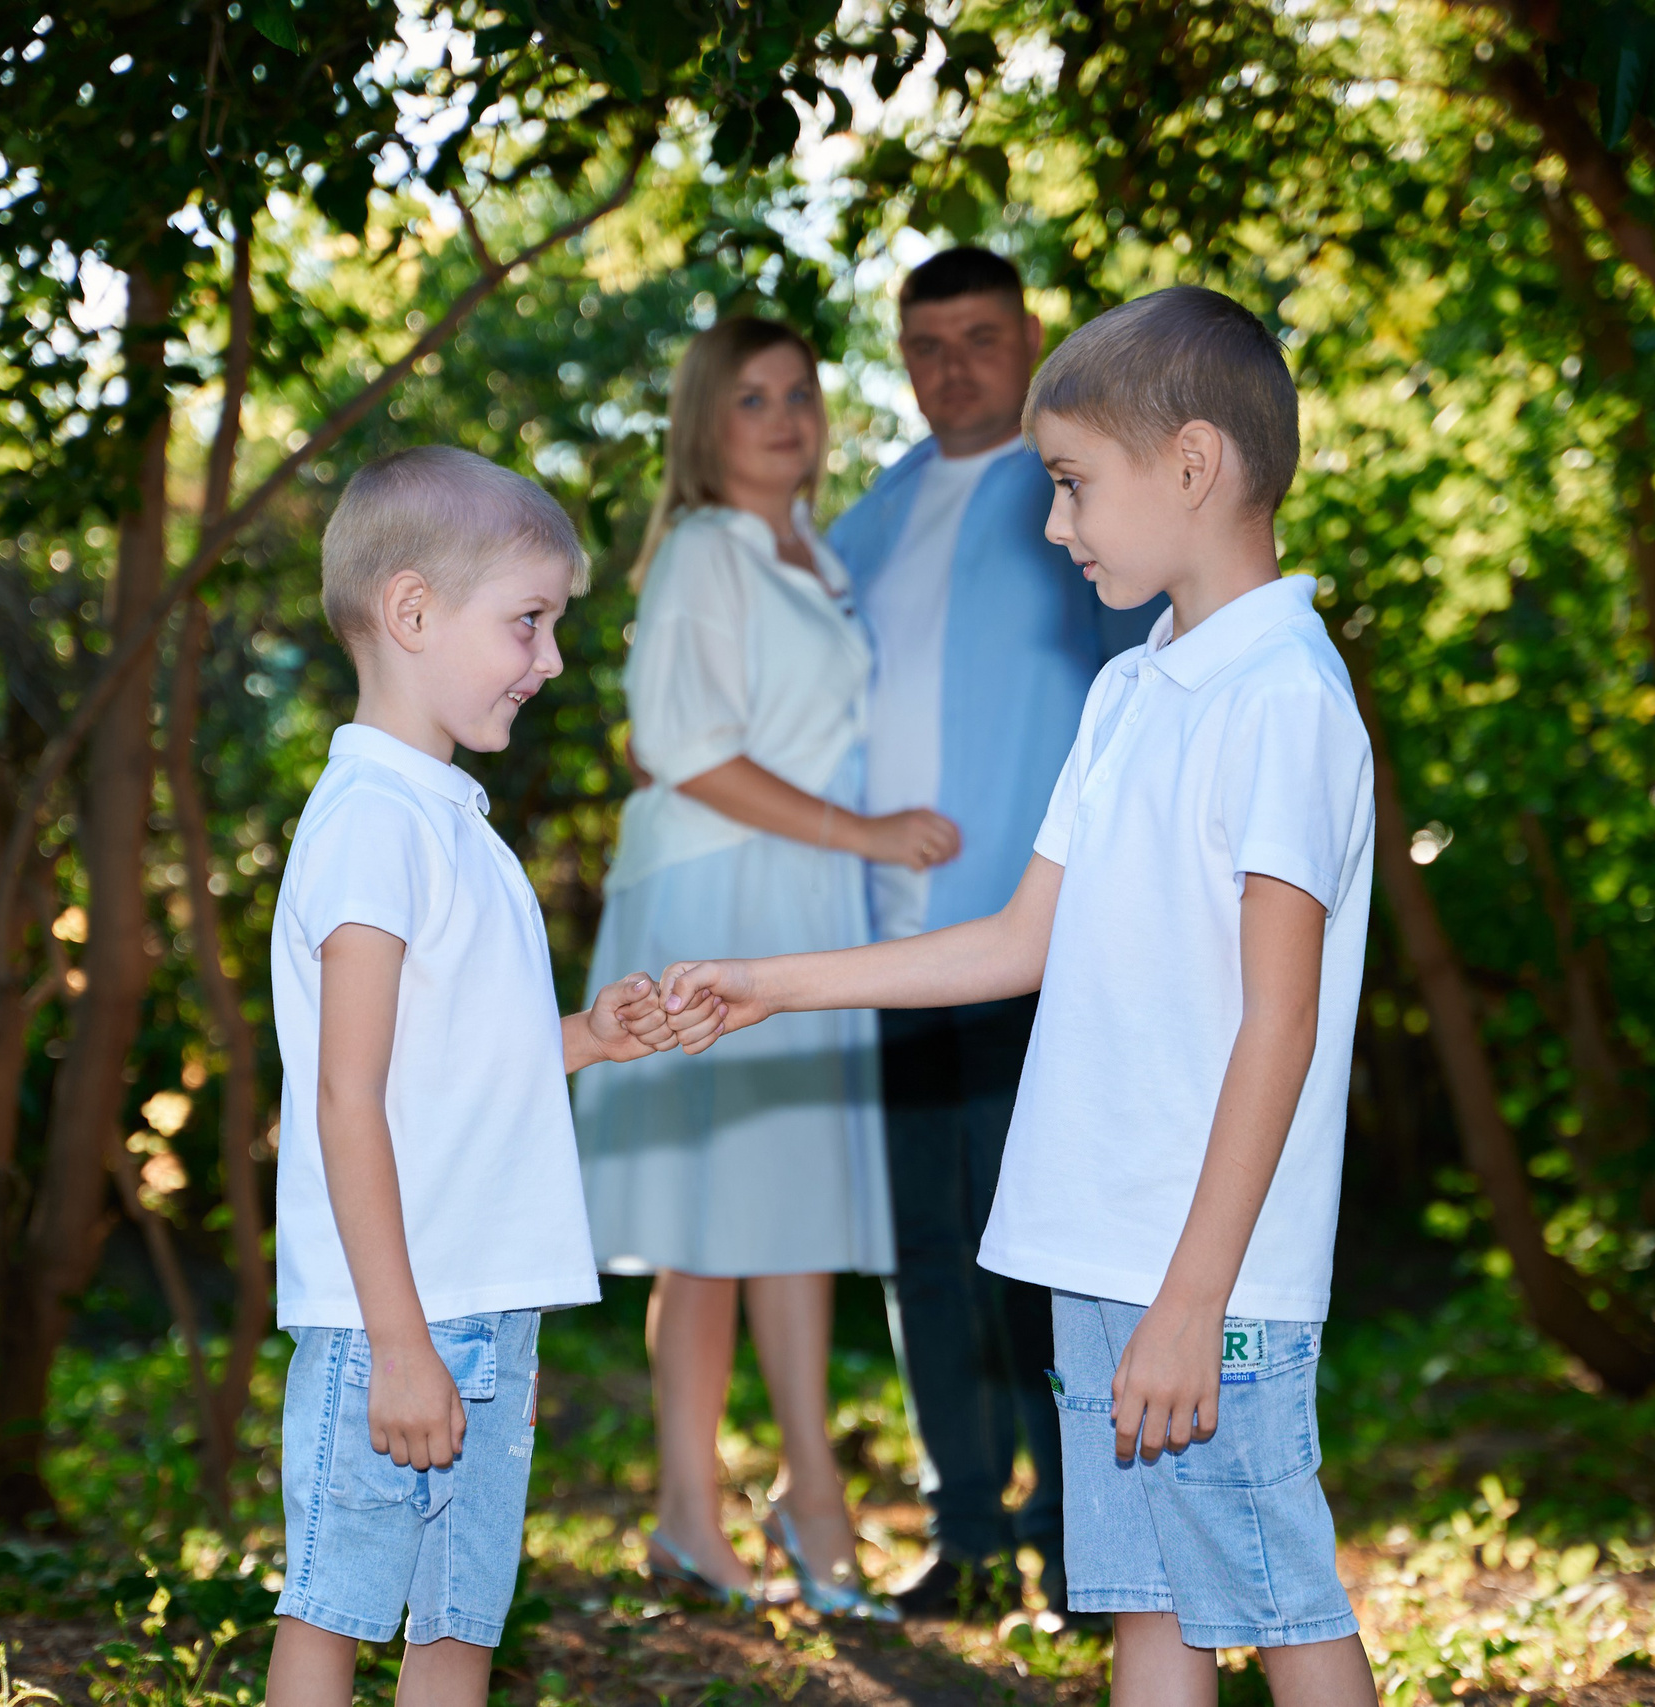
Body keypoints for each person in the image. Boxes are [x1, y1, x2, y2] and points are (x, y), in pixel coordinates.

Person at [653, 287, 1383, 1707]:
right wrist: (769, 983)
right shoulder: (1129, 695)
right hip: (1101, 1246)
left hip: (1203, 1272)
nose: (1056, 526)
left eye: (1071, 485)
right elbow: (1013, 939)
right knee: (1150, 1611)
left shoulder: (1285, 696)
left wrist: (1192, 1296)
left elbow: (1276, 1021)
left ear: (1190, 464)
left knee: (1282, 1605)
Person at [263, 446, 721, 1707]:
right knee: (335, 1607)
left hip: (487, 1304)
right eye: (528, 622)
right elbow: (345, 1098)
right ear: (411, 613)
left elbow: (450, 1062)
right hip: (392, 1321)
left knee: (460, 1621)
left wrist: (585, 1039)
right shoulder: (369, 824)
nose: (551, 659)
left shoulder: (449, 821)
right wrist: (400, 1345)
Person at [573, 317, 954, 1620]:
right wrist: (863, 832)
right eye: (752, 397)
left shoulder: (822, 557)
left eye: (800, 392)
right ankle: (688, 1507)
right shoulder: (702, 551)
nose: (785, 416)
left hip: (801, 892)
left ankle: (816, 1499)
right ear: (704, 421)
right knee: (709, 1219)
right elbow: (685, 748)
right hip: (712, 885)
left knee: (794, 1203)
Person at [826, 245, 1160, 1619]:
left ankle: (1085, 1543)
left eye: (977, 335)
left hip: (1047, 933)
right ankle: (963, 1531)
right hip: (892, 942)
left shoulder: (1076, 490)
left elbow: (1141, 678)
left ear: (1029, 336)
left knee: (1047, 1246)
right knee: (926, 1249)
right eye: (924, 341)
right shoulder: (863, 519)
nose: (949, 364)